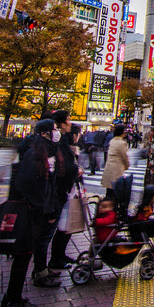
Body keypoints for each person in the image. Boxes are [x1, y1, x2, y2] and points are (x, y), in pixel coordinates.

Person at [13, 119, 62, 289]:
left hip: (42, 207)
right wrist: (41, 206)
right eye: (54, 129)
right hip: (34, 209)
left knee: (39, 242)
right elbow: (28, 183)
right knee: (33, 245)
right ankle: (19, 291)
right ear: (44, 133)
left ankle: (41, 271)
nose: (57, 132)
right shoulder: (34, 153)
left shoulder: (49, 150)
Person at [49, 113, 84, 271]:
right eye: (68, 120)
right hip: (62, 190)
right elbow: (63, 167)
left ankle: (59, 255)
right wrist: (76, 169)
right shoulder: (61, 144)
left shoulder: (64, 144)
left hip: (65, 189)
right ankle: (54, 260)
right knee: (61, 226)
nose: (69, 122)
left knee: (65, 226)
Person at [101, 125, 129, 198]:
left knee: (109, 188)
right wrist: (127, 165)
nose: (126, 131)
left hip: (109, 166)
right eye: (124, 130)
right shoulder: (122, 143)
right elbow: (124, 156)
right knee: (115, 188)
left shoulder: (112, 141)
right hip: (117, 167)